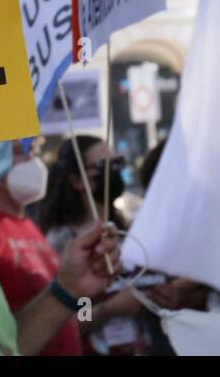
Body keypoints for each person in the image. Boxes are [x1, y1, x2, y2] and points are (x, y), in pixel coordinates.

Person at [0, 139, 122, 356]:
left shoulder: (27, 224)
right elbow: (80, 317)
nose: (33, 162)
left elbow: (71, 300)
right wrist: (108, 310)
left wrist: (77, 292)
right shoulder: (61, 236)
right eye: (22, 152)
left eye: (118, 163)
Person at [39, 135, 143, 354]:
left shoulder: (125, 230)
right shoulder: (64, 242)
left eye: (118, 163)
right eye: (105, 166)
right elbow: (61, 320)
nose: (114, 171)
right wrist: (109, 309)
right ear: (78, 181)